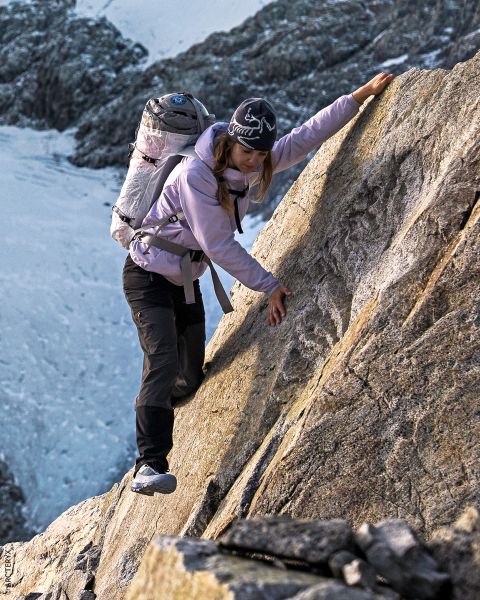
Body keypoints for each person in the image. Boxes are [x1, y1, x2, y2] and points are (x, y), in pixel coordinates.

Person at [123, 72, 394, 495]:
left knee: (189, 379)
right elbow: (217, 244)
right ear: (230, 141)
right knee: (161, 360)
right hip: (147, 275)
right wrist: (270, 286)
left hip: (184, 281)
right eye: (247, 150)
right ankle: (148, 463)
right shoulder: (196, 174)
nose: (254, 161)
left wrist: (358, 97)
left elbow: (304, 137)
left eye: (260, 153)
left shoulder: (250, 164)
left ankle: (156, 406)